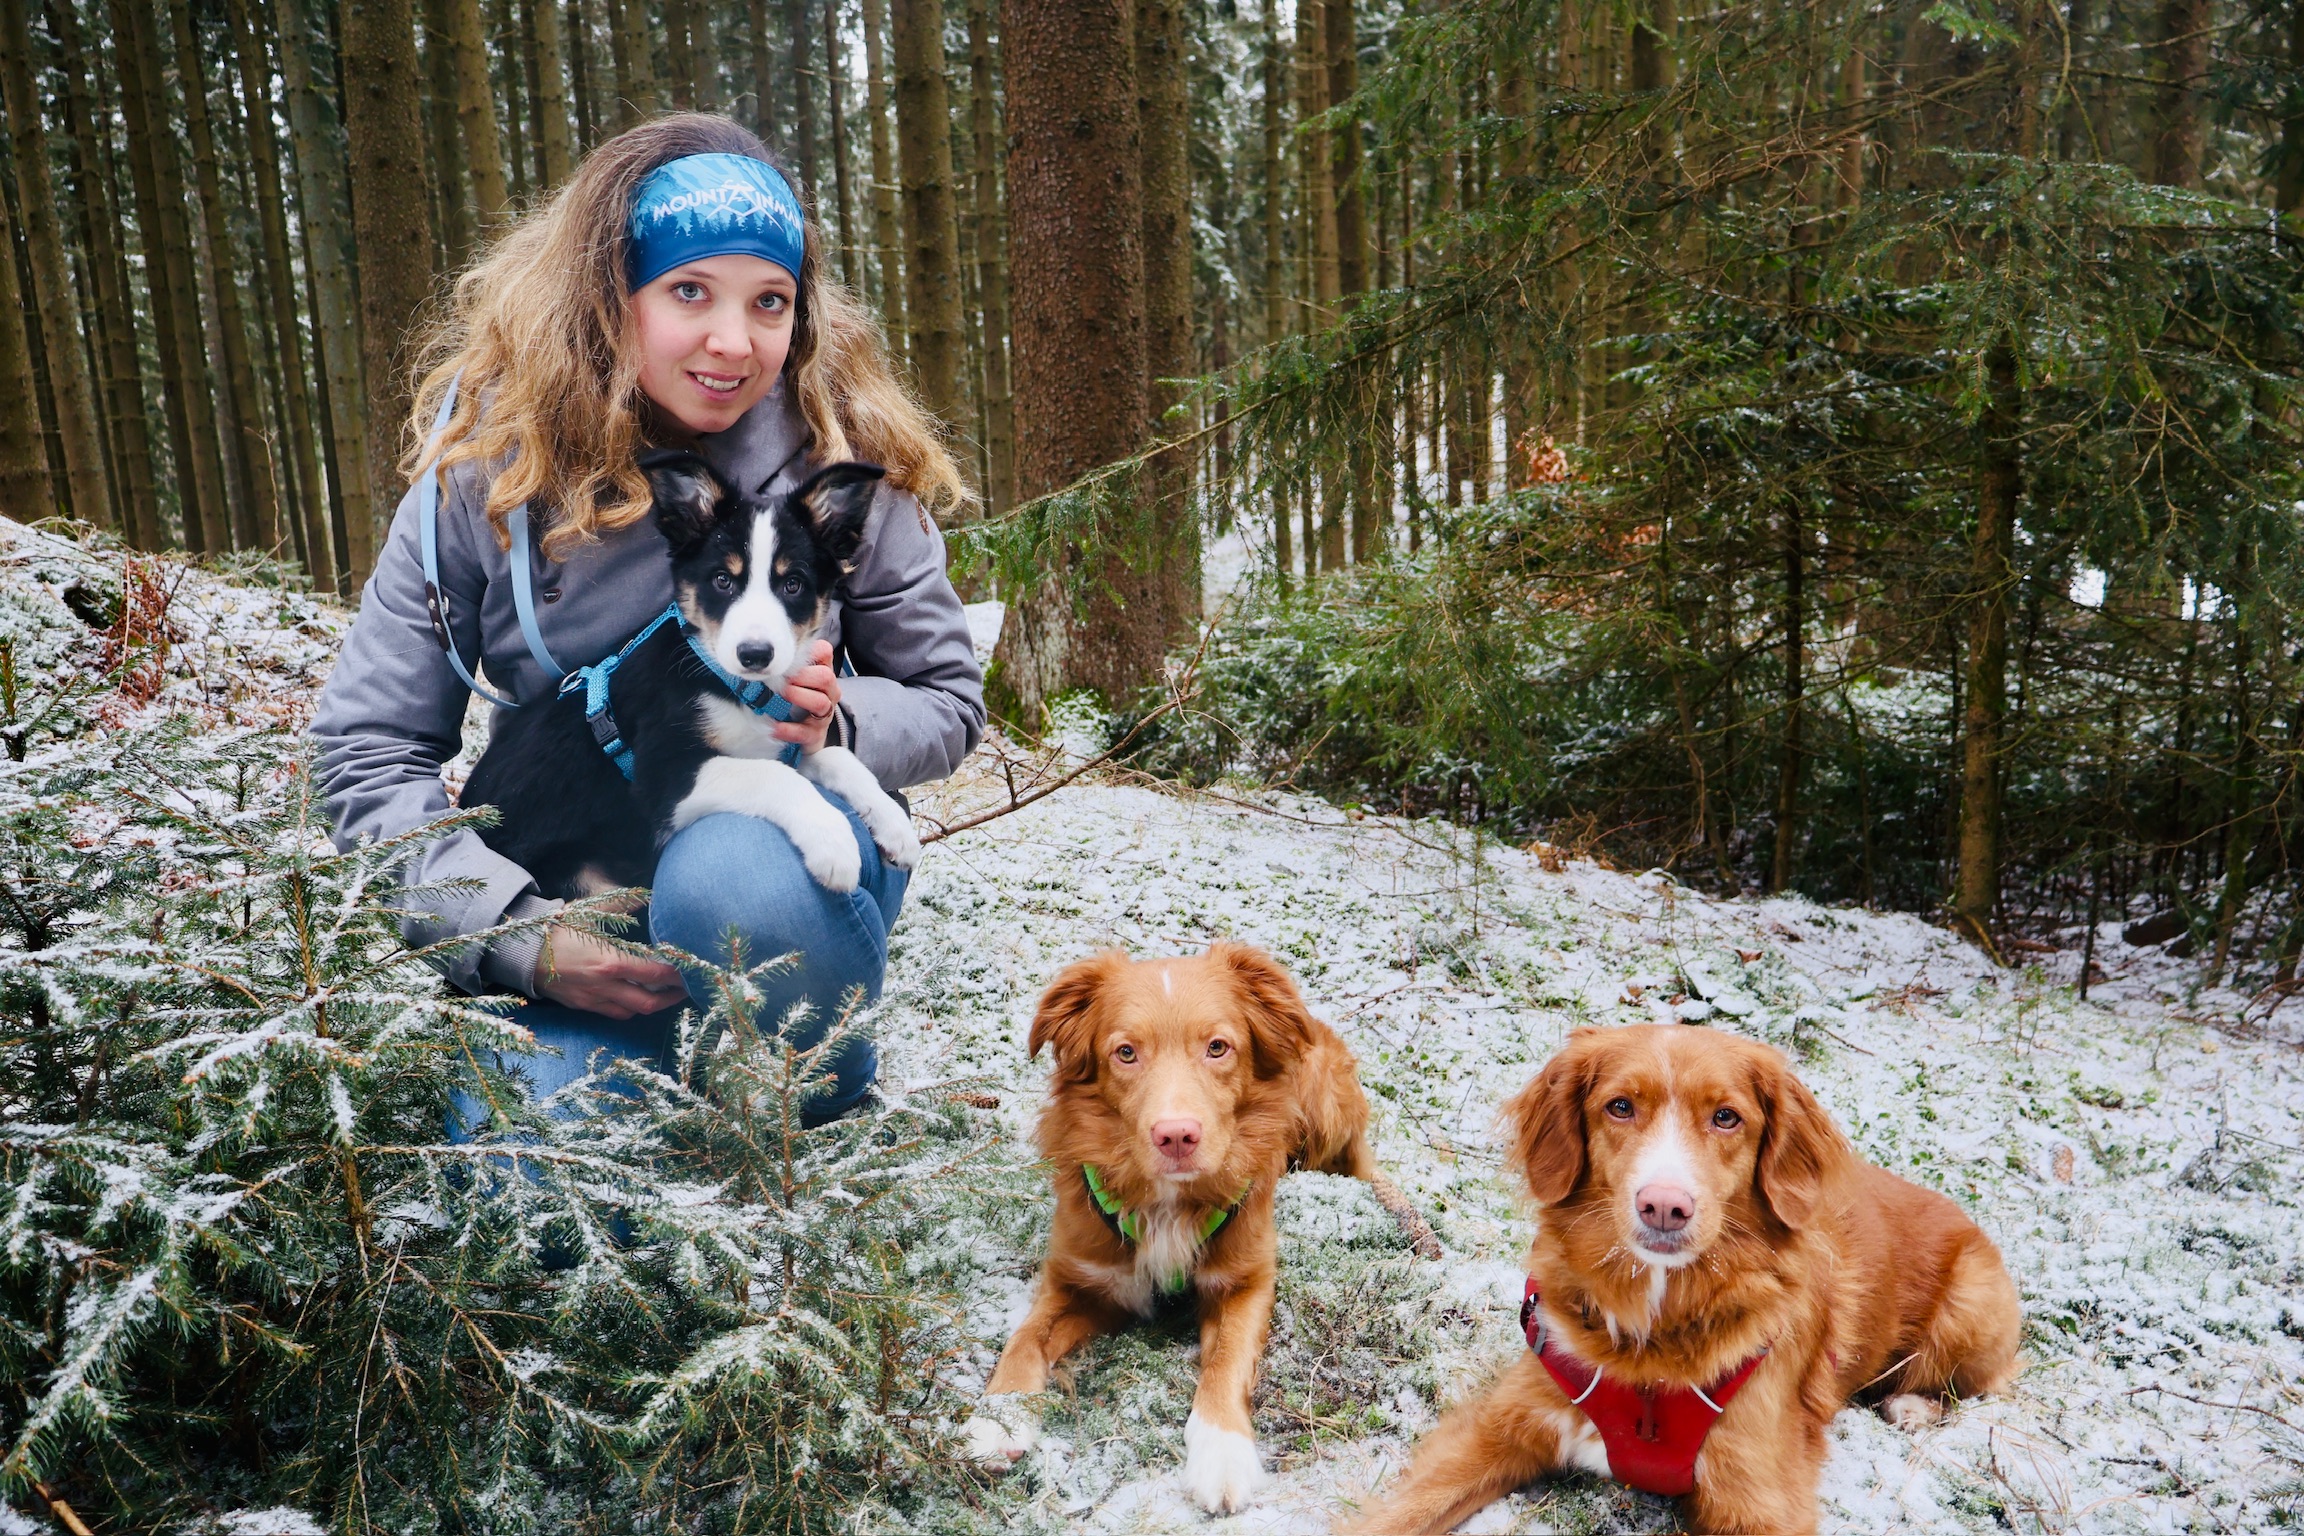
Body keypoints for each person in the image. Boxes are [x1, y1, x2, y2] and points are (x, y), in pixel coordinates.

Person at [311, 114, 983, 1130]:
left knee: (734, 878)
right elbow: (365, 752)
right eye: (688, 293)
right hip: (574, 891)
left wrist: (837, 723)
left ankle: (813, 1094)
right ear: (608, 296)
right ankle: (636, 1066)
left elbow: (945, 698)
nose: (733, 341)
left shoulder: (840, 457)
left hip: (772, 869)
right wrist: (516, 935)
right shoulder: (487, 469)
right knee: (530, 1177)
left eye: (771, 302)